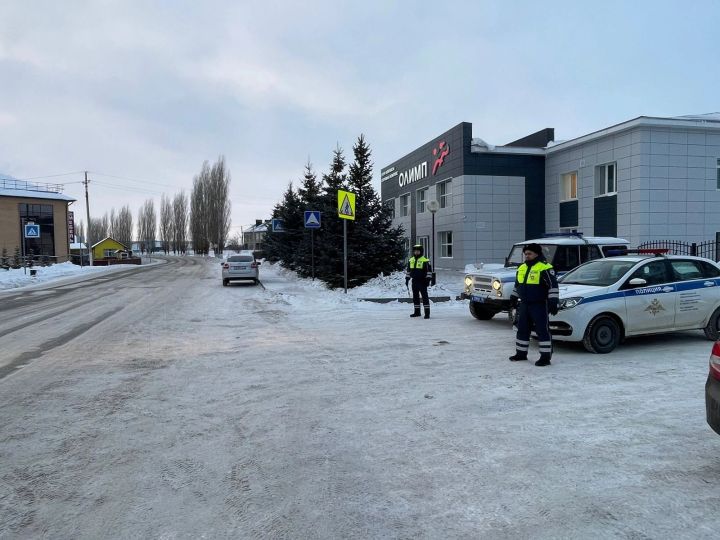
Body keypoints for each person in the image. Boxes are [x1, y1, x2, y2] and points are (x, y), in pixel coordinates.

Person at [508, 243, 559, 366]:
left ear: (537, 253)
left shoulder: (545, 267)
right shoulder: (522, 268)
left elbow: (553, 286)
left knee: (542, 330)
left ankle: (545, 357)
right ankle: (521, 353)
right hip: (525, 304)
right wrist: (514, 297)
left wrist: (553, 301)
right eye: (525, 254)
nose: (527, 256)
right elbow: (518, 285)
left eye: (529, 253)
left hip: (539, 304)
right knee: (522, 329)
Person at [406, 244, 432, 319]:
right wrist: (407, 279)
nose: (416, 252)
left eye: (418, 251)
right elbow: (408, 271)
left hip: (422, 281)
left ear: (421, 251)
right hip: (414, 281)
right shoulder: (411, 260)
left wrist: (427, 280)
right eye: (415, 251)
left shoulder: (425, 260)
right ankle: (417, 312)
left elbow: (429, 272)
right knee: (415, 297)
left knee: (425, 297)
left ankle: (427, 313)